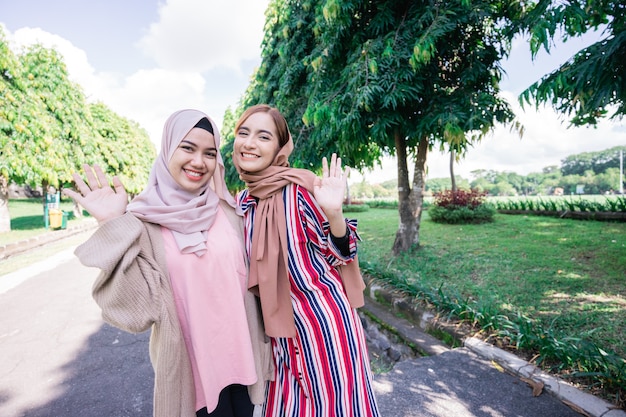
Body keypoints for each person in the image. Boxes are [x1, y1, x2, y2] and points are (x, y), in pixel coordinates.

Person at [63, 109, 273, 417]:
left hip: (243, 363)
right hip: (194, 376)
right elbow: (135, 313)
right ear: (167, 150)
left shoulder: (228, 214)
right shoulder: (142, 224)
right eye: (187, 148)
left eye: (209, 153)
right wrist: (112, 225)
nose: (199, 161)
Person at [232, 104, 380, 416]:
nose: (249, 143)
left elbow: (342, 254)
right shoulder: (243, 203)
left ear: (278, 148)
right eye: (243, 133)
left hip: (325, 329)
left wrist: (335, 214)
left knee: (338, 409)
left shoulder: (299, 191)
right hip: (280, 336)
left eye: (263, 136)